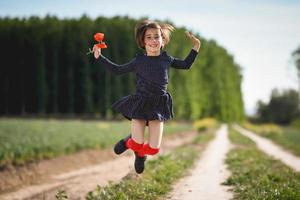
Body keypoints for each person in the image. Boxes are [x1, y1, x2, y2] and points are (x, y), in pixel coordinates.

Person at [93, 20, 201, 174]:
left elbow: (186, 64)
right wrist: (99, 57)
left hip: (159, 105)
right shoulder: (139, 61)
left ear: (163, 40)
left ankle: (140, 154)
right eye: (148, 37)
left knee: (153, 149)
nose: (153, 41)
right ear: (143, 42)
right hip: (141, 103)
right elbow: (117, 70)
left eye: (156, 37)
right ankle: (129, 142)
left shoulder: (166, 59)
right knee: (136, 144)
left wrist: (196, 47)